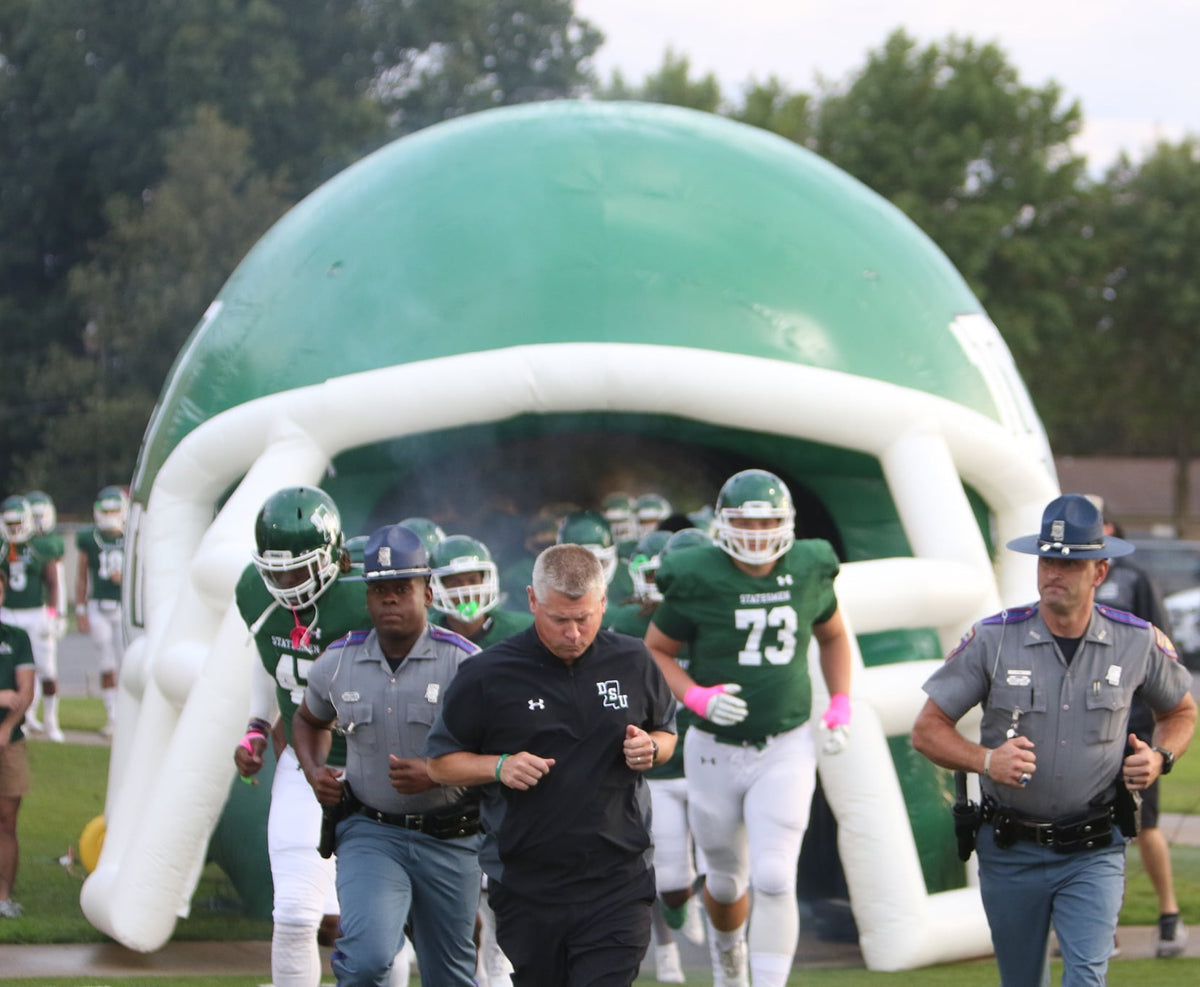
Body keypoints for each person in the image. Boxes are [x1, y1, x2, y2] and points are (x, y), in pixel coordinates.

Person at [912, 493, 1197, 986]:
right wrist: (985, 760)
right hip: (1010, 848)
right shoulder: (993, 639)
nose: (1053, 572)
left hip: (1095, 847)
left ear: (1099, 572)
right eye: (1047, 559)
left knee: (1085, 978)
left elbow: (1181, 710)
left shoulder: (1136, 641)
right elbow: (926, 729)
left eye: (1069, 562)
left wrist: (1160, 756)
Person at [425, 544, 678, 987]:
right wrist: (498, 766)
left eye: (584, 618)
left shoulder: (634, 660)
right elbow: (441, 765)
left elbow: (667, 734)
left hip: (618, 878)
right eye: (560, 620)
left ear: (602, 603)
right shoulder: (486, 674)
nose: (574, 633)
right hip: (527, 885)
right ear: (531, 601)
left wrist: (652, 748)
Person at [643, 468, 854, 987]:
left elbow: (833, 636)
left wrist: (842, 700)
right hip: (714, 748)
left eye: (770, 523)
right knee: (724, 876)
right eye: (746, 522)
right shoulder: (696, 575)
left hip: (786, 744)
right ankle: (728, 958)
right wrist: (694, 694)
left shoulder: (809, 566)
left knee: (777, 877)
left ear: (788, 524)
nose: (758, 535)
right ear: (723, 523)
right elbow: (656, 650)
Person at [293, 523, 483, 987]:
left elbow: (501, 754)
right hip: (370, 832)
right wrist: (314, 770)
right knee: (364, 961)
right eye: (380, 590)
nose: (390, 600)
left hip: (452, 835)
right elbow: (307, 719)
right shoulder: (337, 661)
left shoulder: (467, 664)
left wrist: (437, 773)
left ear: (428, 592)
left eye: (403, 588)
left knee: (451, 976)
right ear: (367, 598)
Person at [234, 485, 409, 987]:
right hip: (305, 767)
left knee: (376, 926)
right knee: (291, 913)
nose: (285, 582)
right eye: (275, 568)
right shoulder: (254, 591)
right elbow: (270, 663)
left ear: (335, 558)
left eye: (297, 568)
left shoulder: (370, 600)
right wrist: (255, 727)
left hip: (379, 771)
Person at [428, 532, 531, 985]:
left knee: (501, 895)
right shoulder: (421, 635)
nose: (468, 590)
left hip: (504, 776)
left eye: (475, 578)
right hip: (443, 776)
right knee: (453, 899)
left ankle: (498, 976)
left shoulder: (522, 630)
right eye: (457, 580)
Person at [609, 528, 709, 983]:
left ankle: (730, 950)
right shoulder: (626, 625)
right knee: (667, 880)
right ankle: (671, 938)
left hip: (712, 758)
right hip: (661, 765)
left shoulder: (720, 617)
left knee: (726, 868)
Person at [1090, 500, 1189, 957]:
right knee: (1092, 829)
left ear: (1111, 529)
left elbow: (1162, 653)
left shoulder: (1132, 578)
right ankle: (1098, 924)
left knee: (1144, 826)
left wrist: (1154, 729)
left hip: (1135, 730)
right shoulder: (1068, 586)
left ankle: (1169, 915)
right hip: (1088, 730)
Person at [0, 495, 62, 742]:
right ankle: (24, 720)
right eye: (10, 523)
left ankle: (51, 720)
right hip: (7, 613)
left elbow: (53, 583)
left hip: (36, 612)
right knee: (12, 671)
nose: (15, 528)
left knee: (46, 668)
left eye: (18, 522)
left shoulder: (41, 546)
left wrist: (53, 614)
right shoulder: (3, 547)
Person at [75, 486, 128, 738]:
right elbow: (81, 576)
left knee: (127, 664)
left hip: (122, 609)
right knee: (106, 665)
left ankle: (129, 717)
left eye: (114, 509)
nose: (109, 514)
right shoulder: (90, 538)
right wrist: (80, 608)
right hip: (98, 607)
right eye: (105, 510)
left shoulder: (132, 536)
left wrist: (125, 578)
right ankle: (113, 717)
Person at [0, 570, 35, 918]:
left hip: (9, 741)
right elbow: (9, 693)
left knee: (7, 821)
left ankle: (3, 897)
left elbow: (25, 691)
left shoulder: (17, 637)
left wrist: (8, 726)